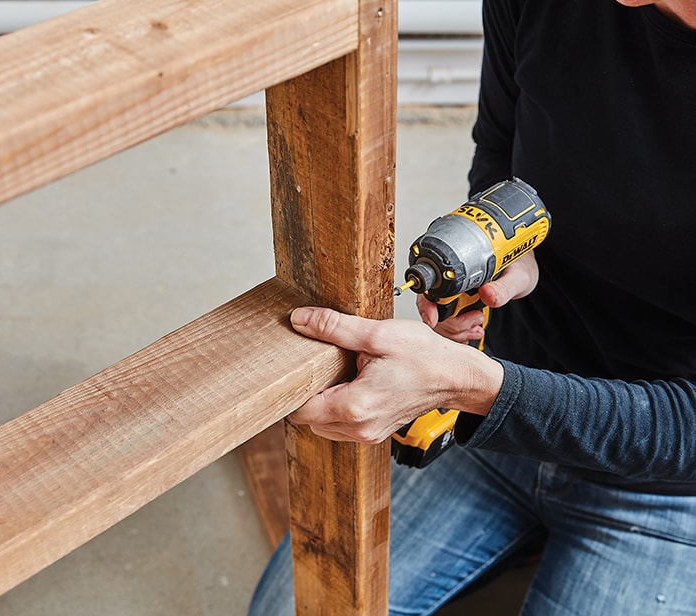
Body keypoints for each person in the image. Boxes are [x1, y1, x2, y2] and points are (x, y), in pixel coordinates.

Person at [249, 0, 696, 613]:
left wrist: (477, 388)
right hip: (500, 418)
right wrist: (516, 258)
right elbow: (501, 152)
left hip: (668, 485)